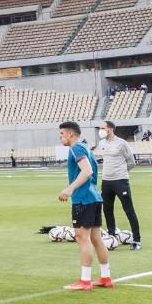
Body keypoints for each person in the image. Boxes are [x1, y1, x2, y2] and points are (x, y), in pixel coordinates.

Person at [57, 121, 112, 291]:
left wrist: (69, 189)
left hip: (83, 199)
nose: (60, 137)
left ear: (70, 134)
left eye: (61, 134)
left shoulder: (76, 149)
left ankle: (85, 280)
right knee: (96, 238)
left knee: (82, 238)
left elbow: (87, 171)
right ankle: (105, 277)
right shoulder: (86, 148)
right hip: (94, 197)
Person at [95, 121, 142, 250]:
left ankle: (137, 240)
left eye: (103, 128)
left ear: (110, 129)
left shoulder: (122, 143)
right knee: (107, 210)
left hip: (120, 181)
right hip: (106, 181)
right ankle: (111, 237)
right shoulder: (102, 143)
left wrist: (121, 172)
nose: (101, 130)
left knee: (129, 210)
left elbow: (131, 162)